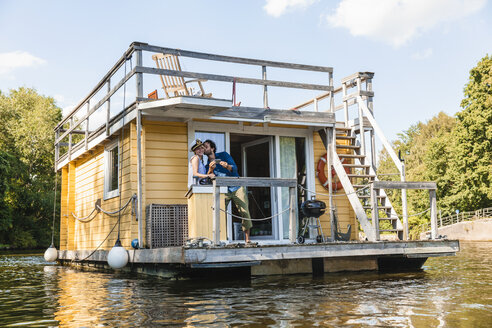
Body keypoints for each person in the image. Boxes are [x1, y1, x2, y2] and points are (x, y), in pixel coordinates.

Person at [203, 139, 253, 243]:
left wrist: (227, 166)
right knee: (219, 214)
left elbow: (235, 169)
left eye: (206, 146)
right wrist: (211, 170)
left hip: (236, 187)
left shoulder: (224, 155)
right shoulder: (207, 164)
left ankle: (247, 240)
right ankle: (222, 239)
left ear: (212, 148)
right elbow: (208, 178)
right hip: (223, 191)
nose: (204, 148)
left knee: (245, 212)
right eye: (203, 147)